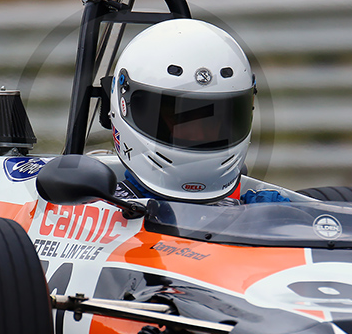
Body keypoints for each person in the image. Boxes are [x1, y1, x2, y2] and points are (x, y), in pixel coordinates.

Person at [108, 18, 289, 205]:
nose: (199, 133)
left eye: (212, 120)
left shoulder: (257, 209)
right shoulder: (100, 213)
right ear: (125, 106)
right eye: (182, 119)